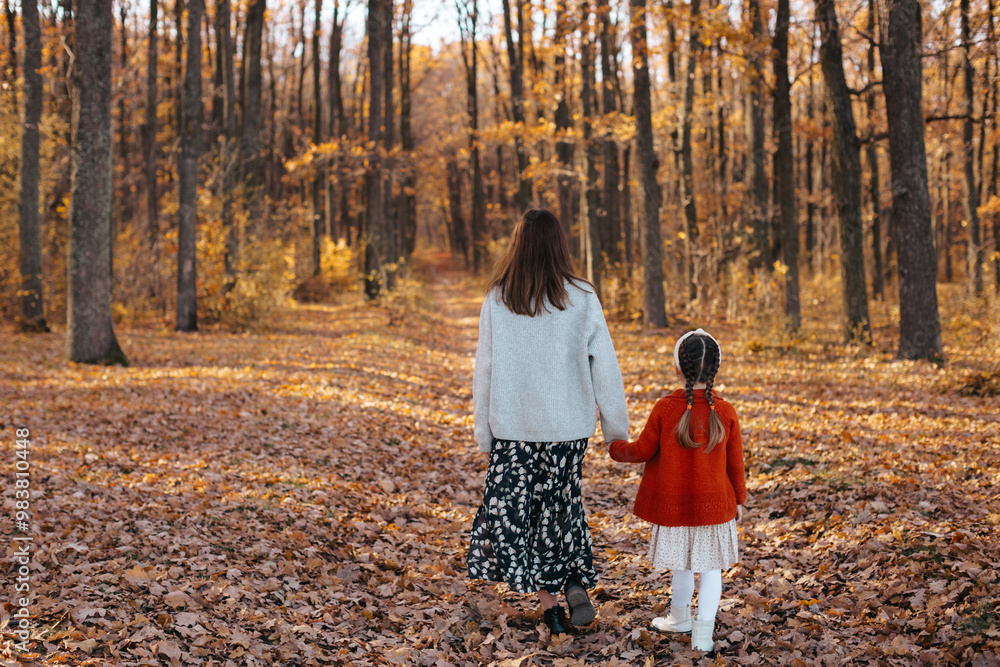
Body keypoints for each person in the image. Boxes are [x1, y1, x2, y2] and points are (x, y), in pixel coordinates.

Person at [467, 208, 629, 636]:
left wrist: (483, 432)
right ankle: (573, 579)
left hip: (514, 428)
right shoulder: (582, 297)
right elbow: (606, 367)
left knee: (522, 515)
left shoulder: (498, 298)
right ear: (560, 245)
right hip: (568, 428)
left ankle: (552, 607)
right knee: (561, 508)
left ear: (517, 245)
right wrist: (616, 430)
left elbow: (484, 368)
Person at [607, 329, 746, 652]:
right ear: (716, 368)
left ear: (676, 368)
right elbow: (735, 463)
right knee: (711, 571)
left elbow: (641, 450)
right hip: (716, 507)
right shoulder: (724, 411)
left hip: (674, 508)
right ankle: (701, 636)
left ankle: (679, 617)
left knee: (682, 565)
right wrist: (739, 499)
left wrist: (615, 447)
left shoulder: (665, 408)